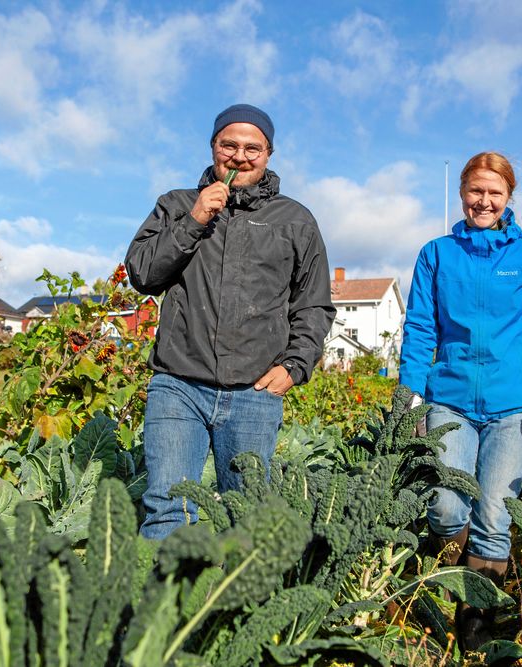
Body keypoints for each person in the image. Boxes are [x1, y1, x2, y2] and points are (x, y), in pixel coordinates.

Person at [125, 103, 336, 541]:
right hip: (178, 385)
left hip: (254, 393)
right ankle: (164, 609)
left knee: (246, 517)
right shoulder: (177, 204)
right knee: (168, 508)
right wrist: (196, 219)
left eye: (252, 148)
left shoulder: (294, 220)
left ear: (268, 154)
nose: (240, 156)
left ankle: (228, 608)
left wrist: (294, 367)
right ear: (213, 147)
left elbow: (313, 305)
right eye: (230, 145)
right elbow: (143, 273)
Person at [398, 151, 522, 650]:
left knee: (494, 517)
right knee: (449, 509)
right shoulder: (436, 254)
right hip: (449, 401)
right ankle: (441, 552)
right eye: (476, 191)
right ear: (462, 194)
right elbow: (421, 326)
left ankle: (475, 630)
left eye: (495, 192)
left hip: (514, 407)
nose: (484, 201)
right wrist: (409, 391)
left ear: (508, 197)